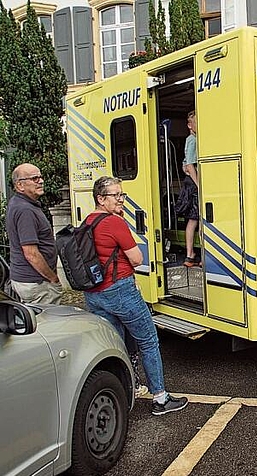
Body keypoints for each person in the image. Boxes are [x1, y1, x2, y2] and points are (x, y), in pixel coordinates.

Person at [84, 176, 188, 414]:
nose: (121, 199)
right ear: (101, 199)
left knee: (117, 344)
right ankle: (160, 398)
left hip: (95, 294)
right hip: (120, 290)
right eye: (116, 196)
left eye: (122, 195)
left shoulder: (88, 221)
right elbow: (137, 259)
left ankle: (124, 393)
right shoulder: (114, 223)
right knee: (148, 340)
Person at [6, 163, 63, 304]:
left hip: (31, 280)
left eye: (40, 177)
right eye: (35, 178)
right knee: (48, 323)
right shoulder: (25, 210)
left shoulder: (19, 203)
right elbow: (31, 253)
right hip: (37, 283)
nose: (41, 181)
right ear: (20, 185)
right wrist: (52, 278)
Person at [179, 110, 200, 267]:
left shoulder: (190, 140)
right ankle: (190, 254)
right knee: (195, 220)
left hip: (189, 181)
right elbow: (190, 166)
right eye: (195, 122)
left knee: (194, 220)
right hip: (193, 183)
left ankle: (190, 254)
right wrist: (199, 185)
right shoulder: (192, 140)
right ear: (189, 125)